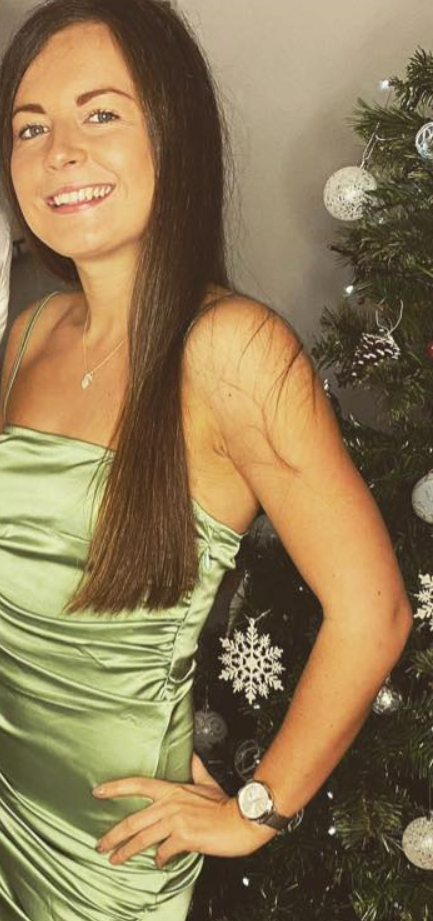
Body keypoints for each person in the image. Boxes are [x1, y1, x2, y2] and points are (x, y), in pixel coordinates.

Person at [0, 1, 413, 919]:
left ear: (173, 133)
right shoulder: (29, 332)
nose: (59, 152)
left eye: (100, 113)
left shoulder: (232, 349)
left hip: (105, 852)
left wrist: (256, 810)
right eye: (30, 127)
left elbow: (373, 610)